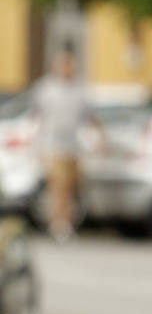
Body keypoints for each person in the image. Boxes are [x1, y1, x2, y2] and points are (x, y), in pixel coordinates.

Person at [31, 45, 100, 242]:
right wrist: (35, 146)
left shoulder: (79, 90)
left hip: (74, 145)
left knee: (72, 187)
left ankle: (66, 222)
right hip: (53, 145)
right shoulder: (46, 90)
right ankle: (58, 224)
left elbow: (91, 117)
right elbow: (36, 118)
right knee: (58, 187)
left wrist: (99, 140)